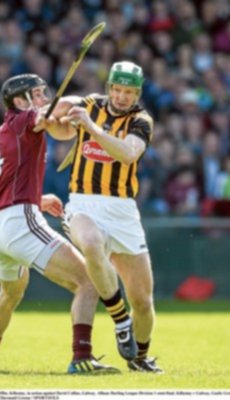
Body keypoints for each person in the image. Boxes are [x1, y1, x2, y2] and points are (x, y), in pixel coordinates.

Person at [0, 73, 119, 374]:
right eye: (37, 94)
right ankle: (81, 358)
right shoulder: (25, 120)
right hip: (19, 223)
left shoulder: (1, 132)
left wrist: (35, 198)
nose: (44, 99)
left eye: (43, 92)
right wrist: (93, 102)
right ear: (19, 101)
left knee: (10, 292)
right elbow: (61, 107)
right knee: (89, 280)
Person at [48, 61, 163, 373]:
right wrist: (52, 117)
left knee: (143, 299)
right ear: (109, 87)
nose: (122, 96)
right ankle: (119, 317)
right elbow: (63, 127)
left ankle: (140, 357)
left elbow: (127, 153)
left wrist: (91, 126)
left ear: (137, 92)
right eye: (117, 89)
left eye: (129, 91)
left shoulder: (141, 121)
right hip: (84, 204)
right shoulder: (89, 105)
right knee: (91, 242)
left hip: (123, 210)